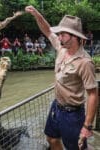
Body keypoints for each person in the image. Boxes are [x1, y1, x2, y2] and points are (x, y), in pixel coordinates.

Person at [25, 6, 98, 150]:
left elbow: (93, 94)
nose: (59, 37)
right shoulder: (61, 47)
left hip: (73, 115)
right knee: (51, 139)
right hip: (56, 107)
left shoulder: (85, 62)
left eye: (63, 34)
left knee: (75, 148)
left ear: (75, 36)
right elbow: (47, 31)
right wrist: (37, 15)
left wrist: (87, 126)